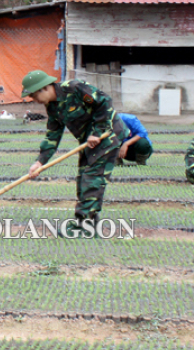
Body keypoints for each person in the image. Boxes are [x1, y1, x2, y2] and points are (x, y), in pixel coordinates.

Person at [21, 70, 129, 237]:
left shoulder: (75, 88)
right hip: (89, 142)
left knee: (92, 179)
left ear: (44, 88)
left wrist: (98, 131)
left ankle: (85, 228)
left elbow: (104, 102)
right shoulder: (52, 106)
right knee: (83, 180)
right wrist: (40, 162)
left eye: (34, 96)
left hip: (108, 135)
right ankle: (87, 223)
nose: (34, 100)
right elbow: (53, 135)